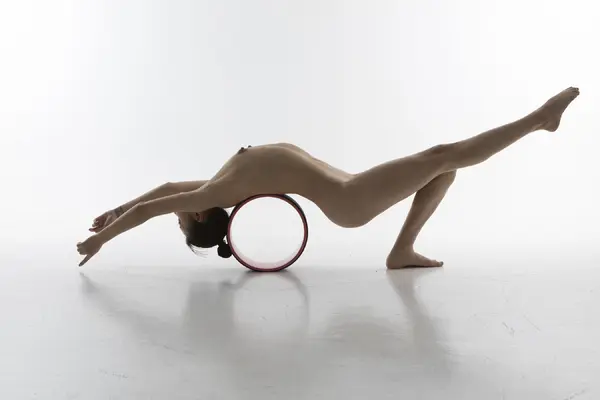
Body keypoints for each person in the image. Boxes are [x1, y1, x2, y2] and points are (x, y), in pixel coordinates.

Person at [77, 87, 580, 269]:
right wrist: (105, 238)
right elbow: (156, 206)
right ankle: (539, 120)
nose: (177, 213)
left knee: (442, 171)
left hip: (351, 189)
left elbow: (163, 193)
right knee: (442, 155)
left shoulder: (216, 185)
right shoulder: (220, 190)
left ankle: (402, 251)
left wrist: (113, 214)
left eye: (179, 220)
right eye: (182, 220)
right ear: (203, 215)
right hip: (350, 200)